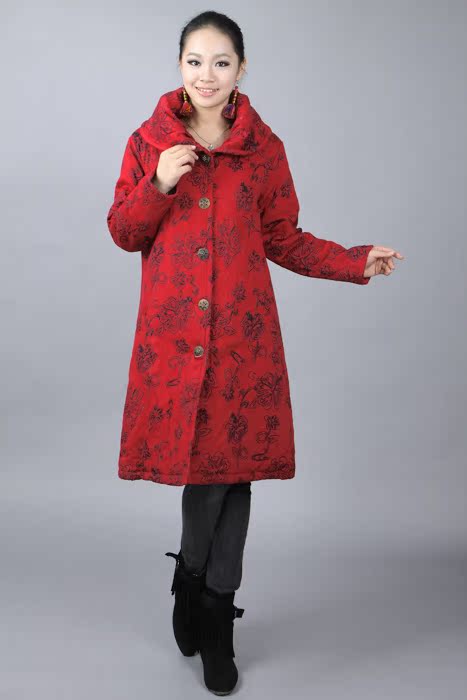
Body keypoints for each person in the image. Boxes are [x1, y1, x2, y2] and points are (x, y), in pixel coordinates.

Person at [106, 10, 404, 695]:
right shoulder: (148, 143)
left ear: (242, 69)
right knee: (203, 473)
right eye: (194, 61)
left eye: (220, 62)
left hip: (243, 341)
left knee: (235, 475)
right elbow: (123, 231)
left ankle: (216, 615)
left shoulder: (264, 150)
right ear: (179, 66)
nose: (206, 75)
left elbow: (284, 238)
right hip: (175, 339)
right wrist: (159, 183)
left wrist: (355, 260)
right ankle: (191, 581)